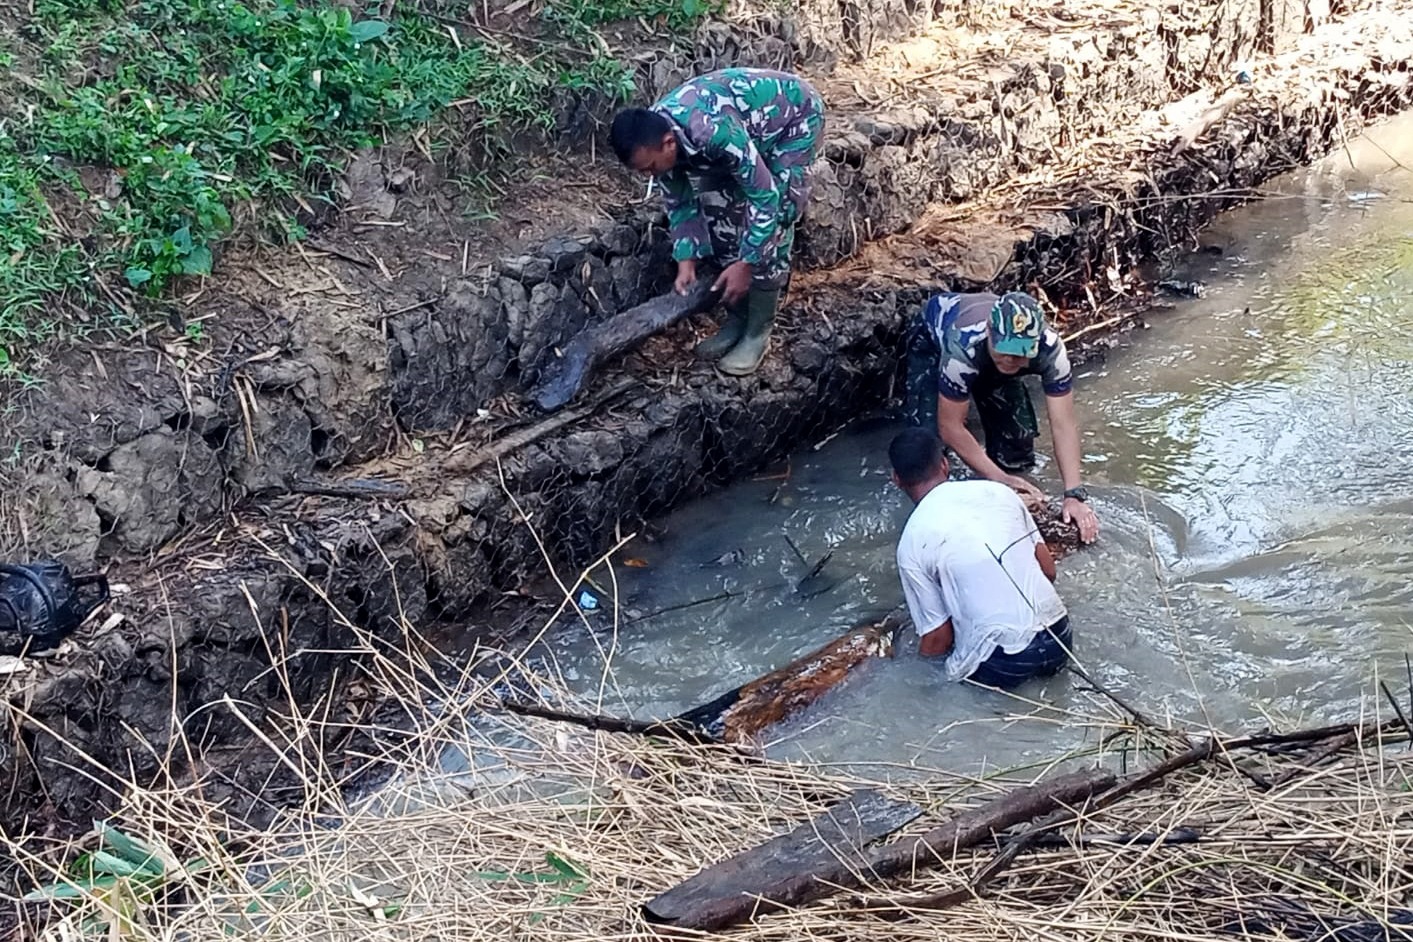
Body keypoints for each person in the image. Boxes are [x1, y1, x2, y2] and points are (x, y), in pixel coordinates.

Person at [608, 68, 826, 376]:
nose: (650, 176)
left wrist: (747, 265)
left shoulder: (712, 131)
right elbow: (681, 203)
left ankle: (758, 332)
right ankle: (738, 319)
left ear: (669, 143)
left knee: (777, 216)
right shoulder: (655, 139)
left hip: (792, 119)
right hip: (744, 132)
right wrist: (687, 260)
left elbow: (765, 198)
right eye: (642, 171)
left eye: (650, 168)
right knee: (722, 213)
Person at [902, 290, 1100, 543]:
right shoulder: (963, 347)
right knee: (925, 447)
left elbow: (1063, 424)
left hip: (985, 359)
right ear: (989, 331)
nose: (1010, 358)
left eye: (1019, 353)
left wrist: (1073, 494)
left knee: (1017, 444)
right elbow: (950, 427)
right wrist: (1000, 478)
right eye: (1005, 349)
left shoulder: (1051, 351)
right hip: (934, 340)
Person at [888, 427, 1072, 688]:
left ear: (896, 479)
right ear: (944, 464)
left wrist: (920, 685)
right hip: (1059, 637)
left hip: (1003, 662)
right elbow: (1048, 571)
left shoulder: (912, 540)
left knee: (949, 682)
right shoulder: (999, 493)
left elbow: (938, 637)